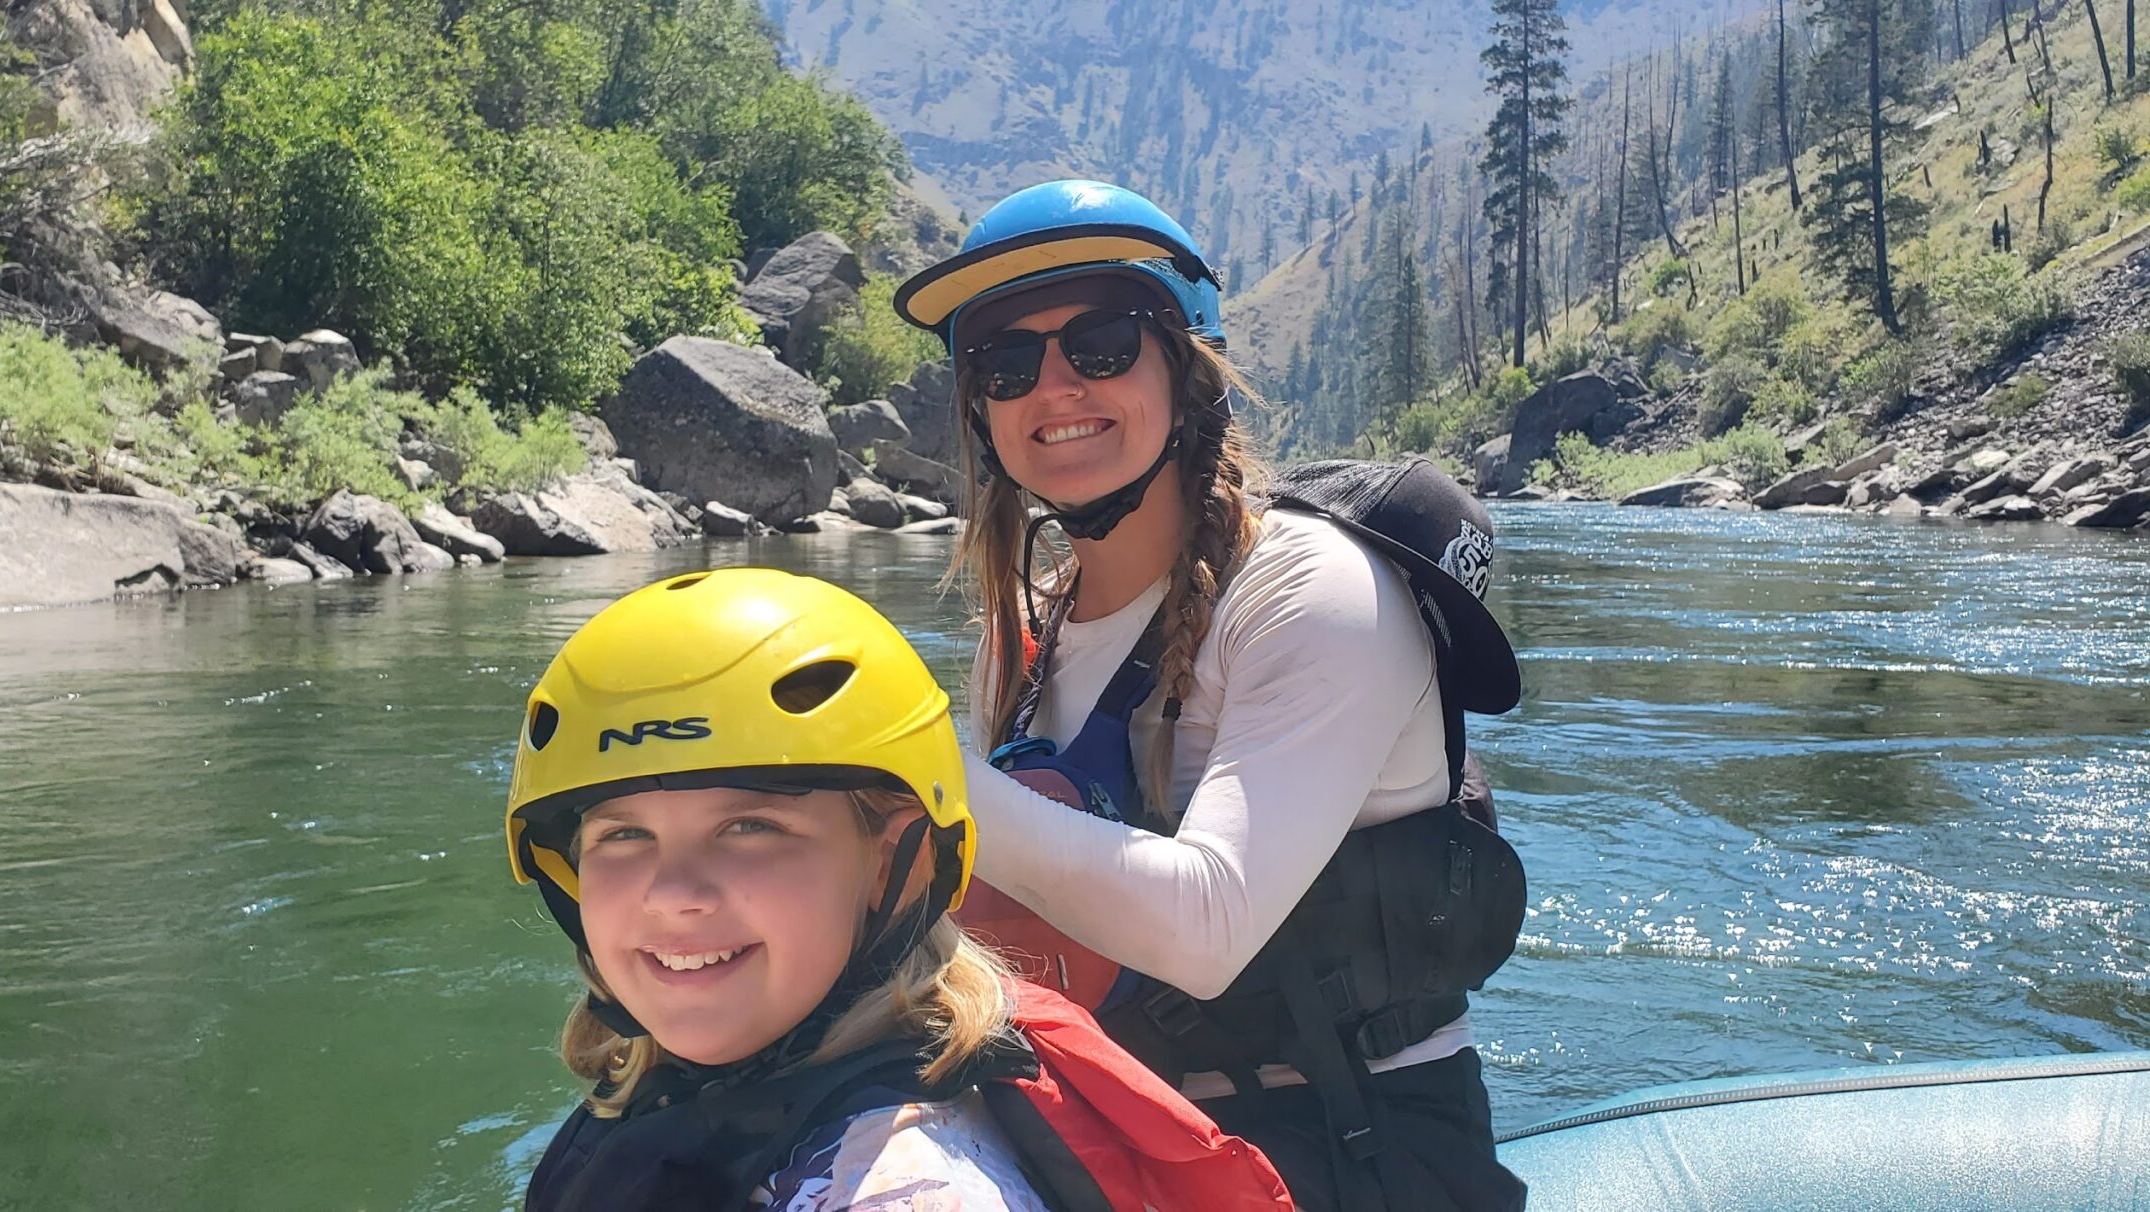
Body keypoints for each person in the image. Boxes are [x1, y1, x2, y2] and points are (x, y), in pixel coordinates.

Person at [891, 180, 1530, 1212]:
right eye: (1005, 364)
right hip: (1112, 1116)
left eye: (1100, 343)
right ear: (980, 409)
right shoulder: (1030, 629)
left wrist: (902, 767)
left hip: (1352, 1144)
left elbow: (1206, 928)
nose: (1052, 386)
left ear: (1186, 369)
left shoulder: (1313, 588)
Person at [501, 567, 1295, 1211]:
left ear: (896, 863)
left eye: (750, 828)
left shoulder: (910, 1188)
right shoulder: (664, 1086)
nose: (673, 893)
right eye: (622, 834)